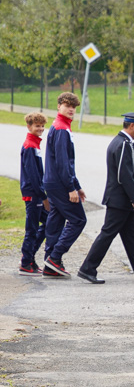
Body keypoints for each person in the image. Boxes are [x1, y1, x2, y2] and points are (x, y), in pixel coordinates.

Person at [77, 114, 134, 284]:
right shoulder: (123, 144)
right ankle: (88, 268)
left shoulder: (123, 142)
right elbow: (124, 175)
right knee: (108, 234)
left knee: (132, 235)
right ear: (132, 126)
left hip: (122, 199)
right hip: (120, 199)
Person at [42, 93, 87, 278]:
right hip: (59, 183)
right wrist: (71, 188)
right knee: (78, 220)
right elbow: (62, 163)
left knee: (57, 220)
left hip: (53, 182)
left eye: (74, 107)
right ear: (59, 106)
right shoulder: (61, 128)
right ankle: (54, 257)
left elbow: (67, 162)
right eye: (67, 105)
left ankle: (49, 265)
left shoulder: (61, 126)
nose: (71, 109)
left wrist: (77, 185)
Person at [19, 112, 50, 276]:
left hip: (36, 193)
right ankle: (25, 262)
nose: (41, 129)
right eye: (37, 126)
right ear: (29, 126)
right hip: (33, 194)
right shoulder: (30, 146)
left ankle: (29, 257)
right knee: (31, 229)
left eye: (42, 126)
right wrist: (43, 196)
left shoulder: (35, 144)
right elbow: (33, 175)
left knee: (47, 223)